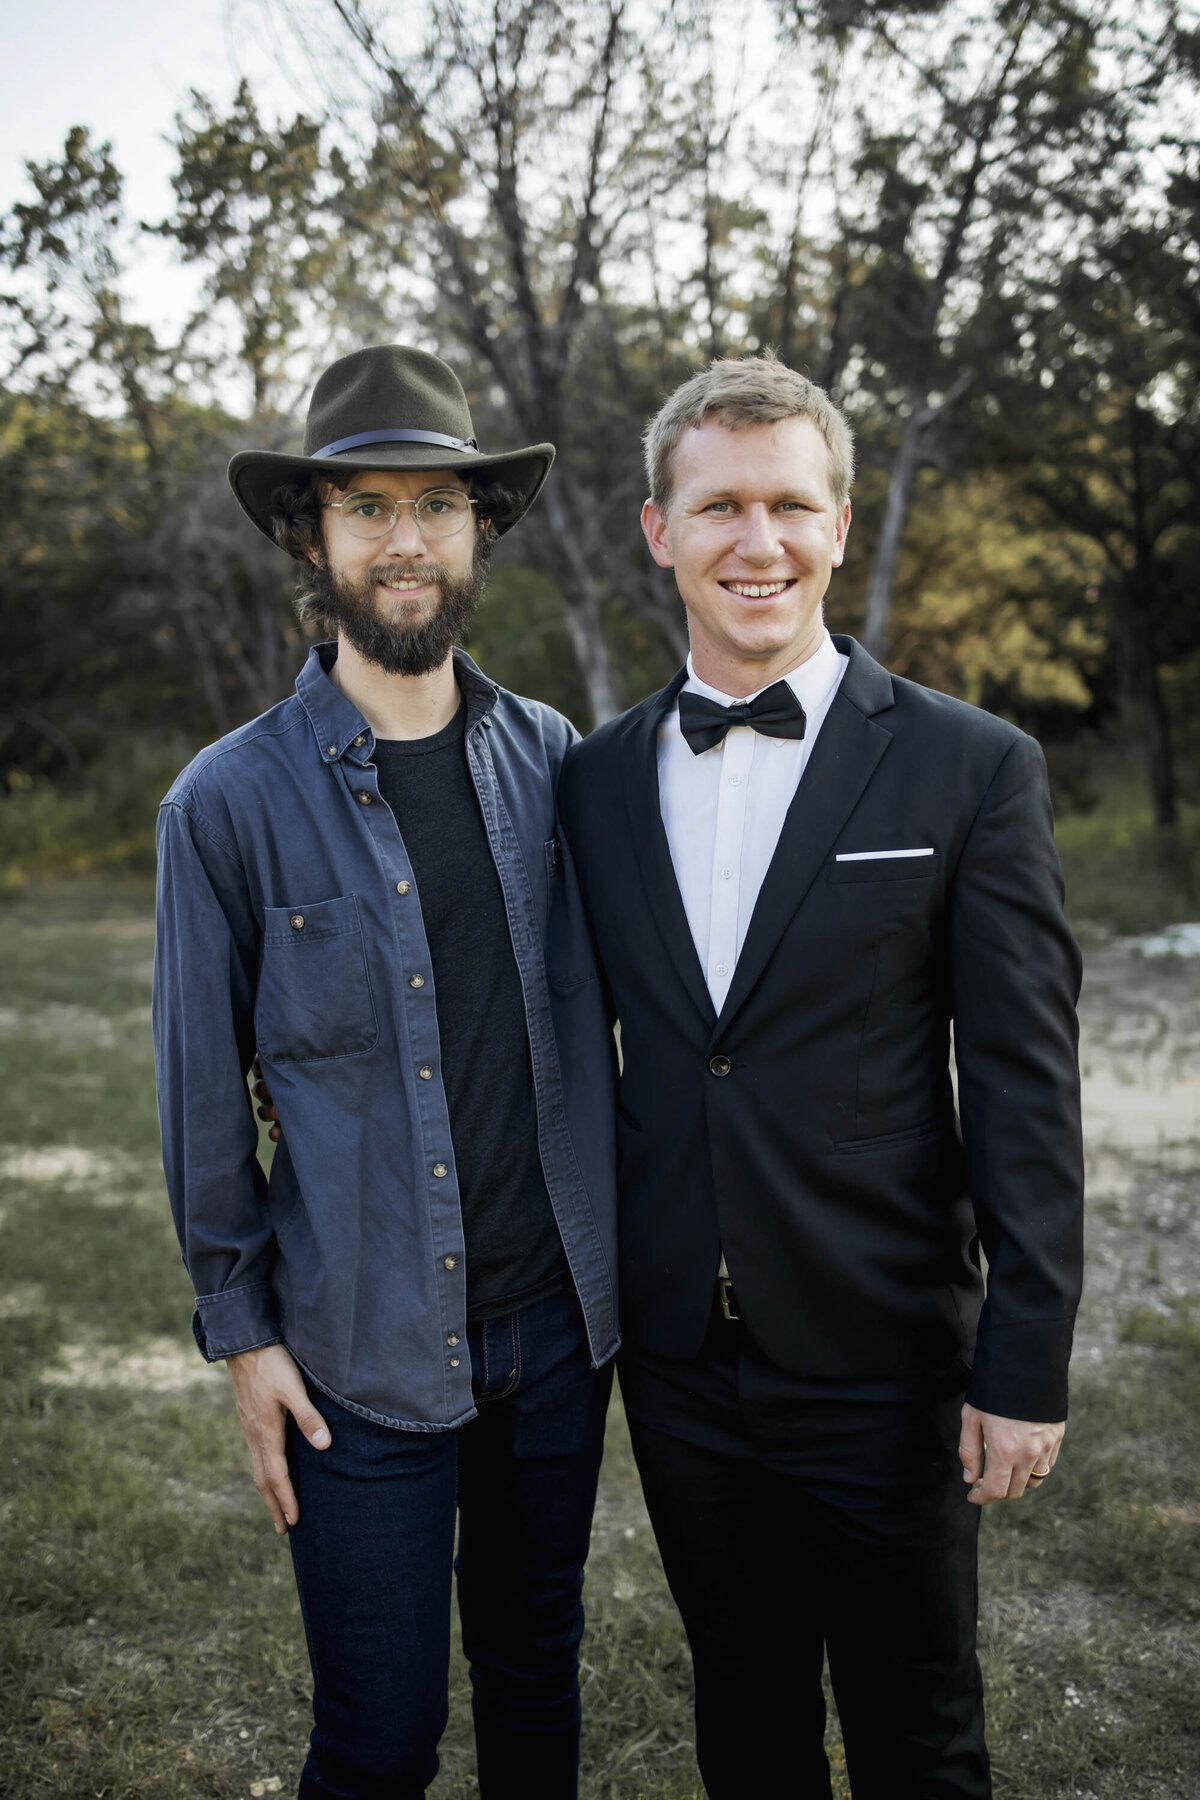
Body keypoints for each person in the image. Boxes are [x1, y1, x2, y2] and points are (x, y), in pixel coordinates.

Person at [557, 353, 1084, 1799]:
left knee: (920, 1734)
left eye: (791, 503)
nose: (758, 541)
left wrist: (1023, 1360)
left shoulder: (973, 770)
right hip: (679, 1366)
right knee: (746, 1717)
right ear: (659, 531)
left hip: (886, 1356)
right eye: (719, 506)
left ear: (841, 524)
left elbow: (1029, 1087)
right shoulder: (592, 782)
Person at [152, 344, 619, 1800]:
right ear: (314, 536)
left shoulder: (555, 758)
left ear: (481, 531)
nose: (404, 540)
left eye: (436, 506)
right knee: (378, 1738)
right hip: (352, 1350)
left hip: (554, 1338)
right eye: (368, 507)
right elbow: (194, 1098)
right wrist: (242, 1335)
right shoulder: (226, 802)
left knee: (538, 1684)